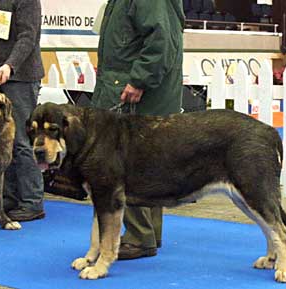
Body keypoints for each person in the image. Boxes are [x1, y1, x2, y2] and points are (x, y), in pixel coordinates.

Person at [91, 0, 185, 259]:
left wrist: (139, 79)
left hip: (135, 94)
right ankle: (147, 234)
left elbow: (160, 40)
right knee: (147, 163)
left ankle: (139, 236)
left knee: (131, 164)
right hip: (135, 89)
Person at [0, 0, 45, 221]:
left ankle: (32, 201)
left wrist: (10, 65)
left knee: (21, 142)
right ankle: (7, 199)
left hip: (21, 79)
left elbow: (28, 37)